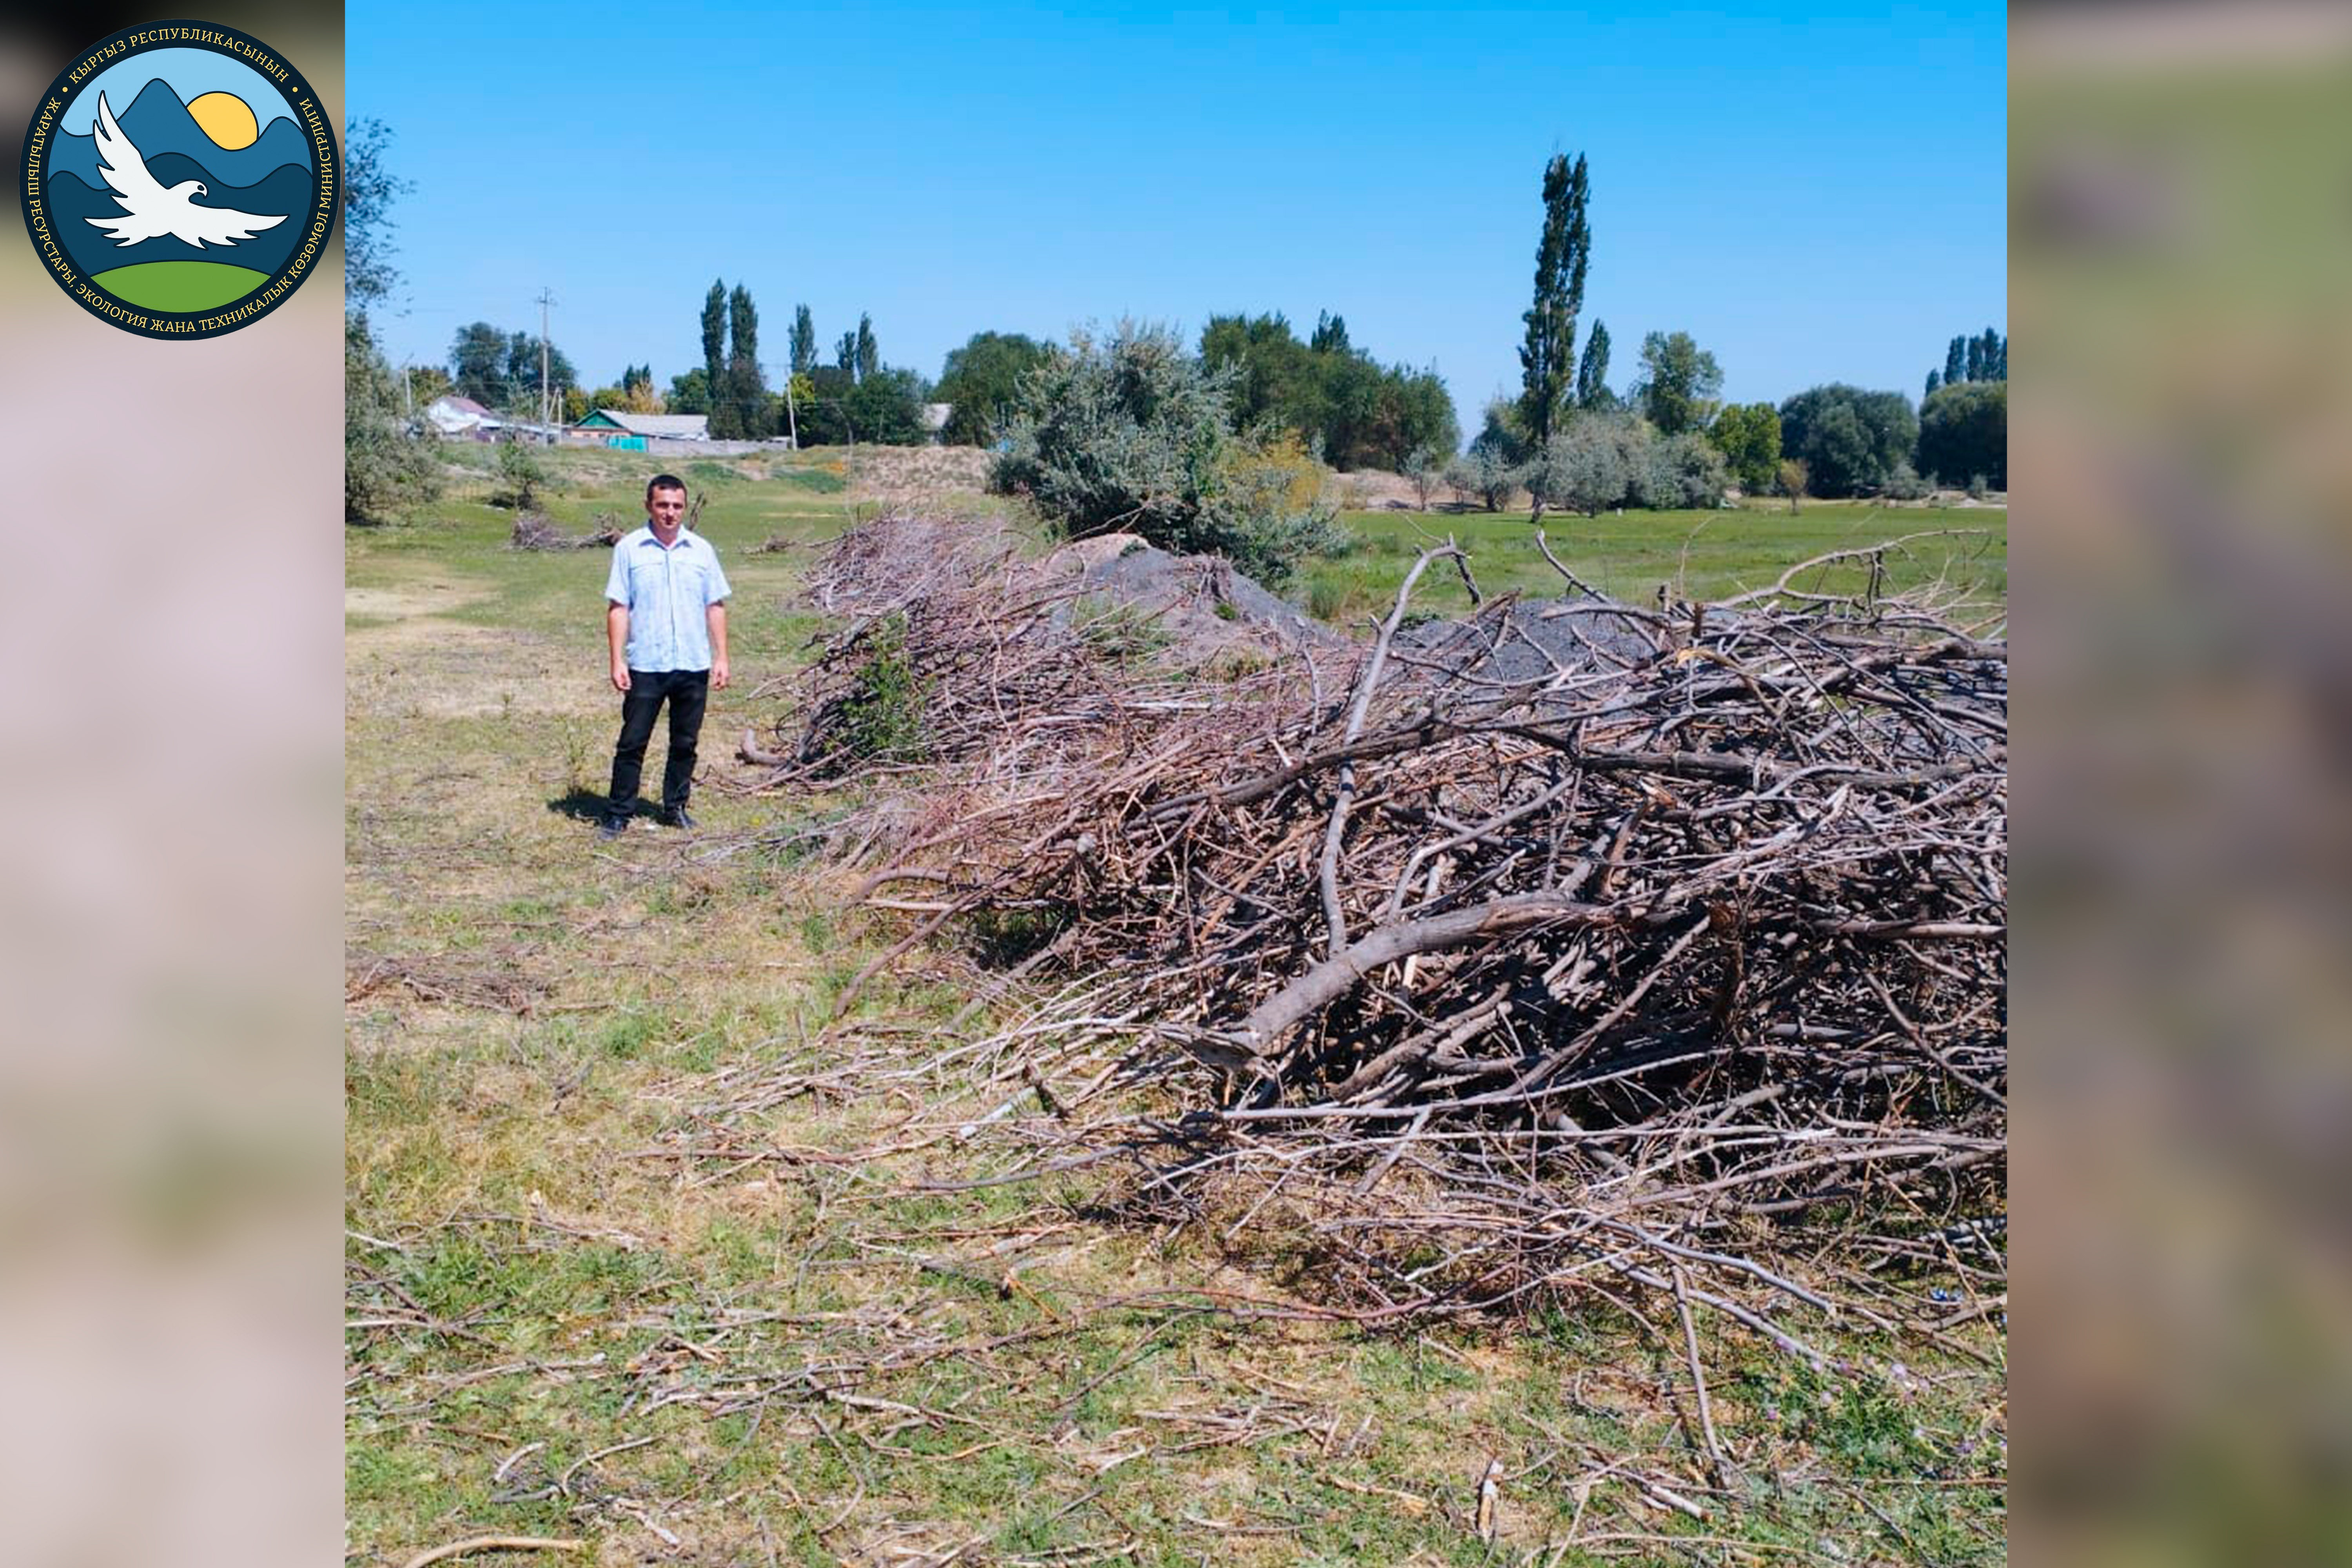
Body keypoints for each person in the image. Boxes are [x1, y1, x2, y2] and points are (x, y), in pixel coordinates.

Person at [599, 474, 730, 837]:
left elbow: (715, 605)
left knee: (685, 743)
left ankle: (675, 808)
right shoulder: (629, 549)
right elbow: (619, 607)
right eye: (662, 505)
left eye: (676, 506)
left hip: (692, 662)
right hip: (647, 664)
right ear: (648, 506)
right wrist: (617, 660)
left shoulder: (701, 550)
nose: (670, 513)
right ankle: (618, 814)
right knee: (633, 742)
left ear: (684, 508)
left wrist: (722, 657)